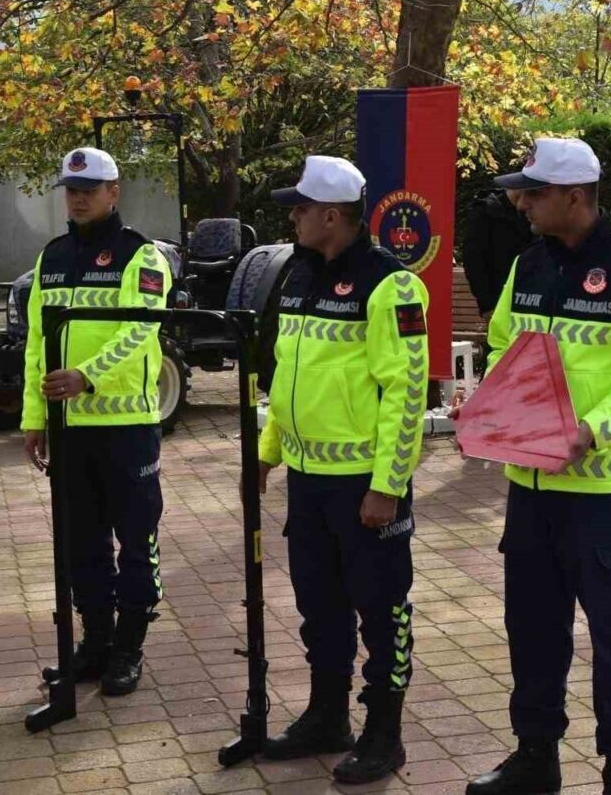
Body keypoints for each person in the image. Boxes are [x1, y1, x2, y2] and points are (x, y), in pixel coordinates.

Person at [460, 139, 611, 795]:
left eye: (534, 193)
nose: (523, 203)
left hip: (607, 495)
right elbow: (504, 348)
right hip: (530, 490)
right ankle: (535, 757)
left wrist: (593, 429)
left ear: (574, 197)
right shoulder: (527, 264)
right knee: (533, 632)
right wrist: (487, 407)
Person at [257, 155, 429, 785]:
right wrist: (267, 454)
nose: (294, 219)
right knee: (320, 608)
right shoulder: (299, 273)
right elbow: (287, 377)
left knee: (383, 614)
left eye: (300, 209)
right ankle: (327, 717)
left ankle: (385, 734)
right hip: (308, 482)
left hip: (364, 486)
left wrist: (388, 485)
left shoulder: (391, 286)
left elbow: (407, 393)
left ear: (332, 216)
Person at [21, 147, 171, 697]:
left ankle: (129, 647)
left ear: (114, 192)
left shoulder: (141, 255)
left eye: (89, 190)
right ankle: (96, 642)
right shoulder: (52, 256)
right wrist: (34, 417)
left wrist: (87, 376)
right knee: (81, 545)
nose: (78, 199)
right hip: (70, 431)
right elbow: (37, 343)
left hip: (127, 428)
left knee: (135, 542)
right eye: (71, 190)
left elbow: (141, 331)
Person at [462, 187, 533, 320]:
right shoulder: (485, 212)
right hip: (497, 301)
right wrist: (487, 305)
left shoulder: (530, 213)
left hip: (530, 300)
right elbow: (474, 262)